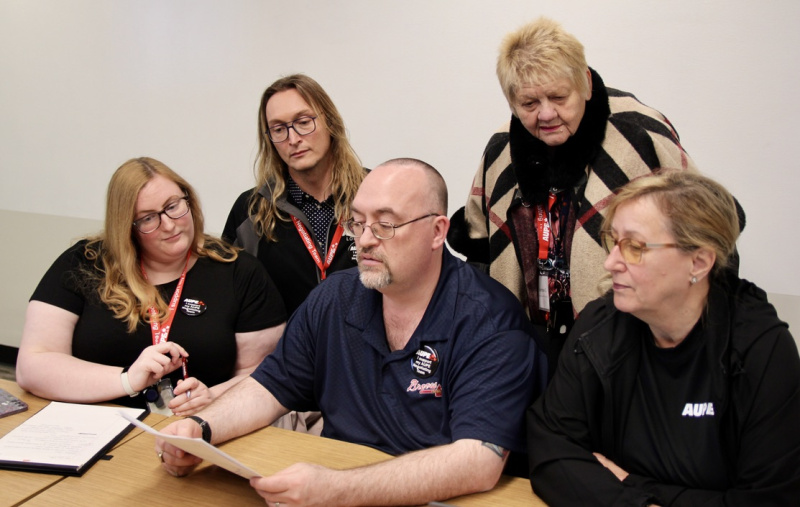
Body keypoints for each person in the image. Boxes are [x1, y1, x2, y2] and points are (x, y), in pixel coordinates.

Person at [157, 158, 547, 506]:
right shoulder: (335, 298)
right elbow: (269, 387)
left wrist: (338, 490)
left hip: (428, 493)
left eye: (386, 225)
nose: (363, 240)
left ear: (437, 231)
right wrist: (202, 430)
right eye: (357, 222)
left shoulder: (488, 320)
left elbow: (477, 463)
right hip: (336, 477)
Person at [527, 170, 800, 506]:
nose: (611, 262)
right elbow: (550, 448)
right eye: (613, 241)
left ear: (698, 262)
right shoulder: (599, 328)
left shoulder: (760, 350)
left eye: (634, 247)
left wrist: (633, 485)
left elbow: (770, 501)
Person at [447, 17, 698, 370]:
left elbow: (697, 232)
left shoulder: (637, 134)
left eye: (559, 97)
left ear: (586, 84)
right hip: (530, 338)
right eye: (529, 103)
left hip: (629, 340)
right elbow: (479, 246)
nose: (546, 114)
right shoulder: (502, 149)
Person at [16, 157, 287, 415]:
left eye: (173, 206)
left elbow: (264, 372)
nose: (169, 225)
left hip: (201, 427)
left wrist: (215, 398)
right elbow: (33, 366)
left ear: (189, 200)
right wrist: (126, 380)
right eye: (148, 218)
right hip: (96, 424)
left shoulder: (239, 271)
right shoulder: (84, 263)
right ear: (126, 227)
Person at [223, 74, 365, 317]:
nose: (293, 138)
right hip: (287, 353)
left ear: (329, 121)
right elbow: (228, 299)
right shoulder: (251, 210)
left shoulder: (376, 193)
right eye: (279, 129)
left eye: (303, 121)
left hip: (369, 351)